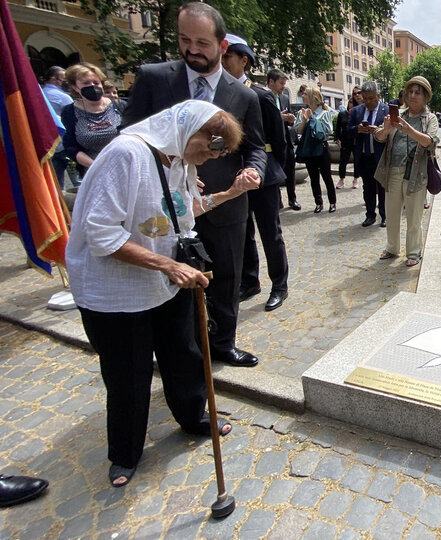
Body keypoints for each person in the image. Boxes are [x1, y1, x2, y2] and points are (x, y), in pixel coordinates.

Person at [66, 100, 253, 487]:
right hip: (118, 294)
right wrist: (168, 265)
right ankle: (125, 453)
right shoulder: (126, 155)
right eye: (213, 144)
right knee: (128, 375)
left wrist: (230, 194)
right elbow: (101, 233)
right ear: (188, 127)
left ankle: (193, 417)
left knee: (183, 355)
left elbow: (180, 215)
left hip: (167, 284)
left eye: (220, 150)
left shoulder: (180, 161)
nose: (213, 154)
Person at [122, 1, 266, 369]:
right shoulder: (155, 79)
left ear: (221, 47)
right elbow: (131, 137)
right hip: (166, 205)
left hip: (226, 204)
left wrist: (253, 172)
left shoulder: (245, 96)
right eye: (185, 40)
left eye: (202, 43)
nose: (191, 50)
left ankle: (222, 344)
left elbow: (255, 149)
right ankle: (181, 353)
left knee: (227, 277)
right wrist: (173, 169)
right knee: (175, 279)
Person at [222, 34, 291, 313]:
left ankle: (279, 285)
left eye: (227, 57)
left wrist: (276, 171)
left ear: (244, 60)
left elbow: (279, 138)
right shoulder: (221, 93)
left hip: (262, 174)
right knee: (243, 231)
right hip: (232, 172)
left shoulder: (260, 95)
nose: (222, 61)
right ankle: (250, 281)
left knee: (269, 232)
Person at [373, 76, 440, 267]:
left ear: (425, 96)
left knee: (414, 216)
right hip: (393, 171)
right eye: (410, 91)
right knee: (392, 213)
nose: (412, 95)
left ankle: (413, 252)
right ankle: (392, 248)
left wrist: (409, 129)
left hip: (416, 174)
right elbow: (378, 136)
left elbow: (430, 141)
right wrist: (385, 130)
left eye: (417, 92)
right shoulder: (397, 115)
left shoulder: (429, 118)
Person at [61, 63, 123, 180]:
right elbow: (70, 147)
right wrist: (96, 166)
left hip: (124, 169)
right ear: (75, 87)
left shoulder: (120, 106)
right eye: (86, 83)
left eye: (96, 82)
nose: (93, 86)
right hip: (94, 174)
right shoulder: (70, 112)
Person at [347, 81, 388, 227]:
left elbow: (393, 133)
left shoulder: (386, 110)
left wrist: (379, 130)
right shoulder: (357, 111)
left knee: (383, 188)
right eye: (365, 98)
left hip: (381, 156)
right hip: (364, 156)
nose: (368, 102)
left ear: (378, 96)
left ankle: (384, 216)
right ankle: (370, 215)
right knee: (368, 187)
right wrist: (357, 129)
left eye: (371, 98)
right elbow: (347, 130)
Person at [295, 87, 336, 214]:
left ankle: (332, 202)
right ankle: (318, 203)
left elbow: (328, 131)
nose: (302, 95)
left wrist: (313, 119)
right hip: (309, 149)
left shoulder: (324, 113)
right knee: (313, 178)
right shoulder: (301, 113)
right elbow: (298, 131)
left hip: (321, 148)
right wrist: (304, 120)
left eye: (305, 94)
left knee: (327, 176)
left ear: (313, 97)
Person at [41, 66, 78, 189]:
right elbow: (75, 119)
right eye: (63, 79)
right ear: (53, 79)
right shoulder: (63, 97)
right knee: (79, 181)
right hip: (65, 144)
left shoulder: (39, 94)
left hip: (47, 144)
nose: (66, 82)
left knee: (55, 184)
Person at [268, 69, 300, 210]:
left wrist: (291, 119)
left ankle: (292, 200)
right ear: (271, 82)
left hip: (286, 141)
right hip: (271, 143)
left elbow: (289, 118)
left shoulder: (284, 98)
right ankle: (278, 201)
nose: (283, 86)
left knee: (290, 171)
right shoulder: (263, 98)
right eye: (281, 83)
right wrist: (279, 117)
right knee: (275, 173)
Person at [336, 86, 362, 189]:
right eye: (354, 94)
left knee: (357, 162)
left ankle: (355, 179)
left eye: (358, 93)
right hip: (345, 141)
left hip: (356, 140)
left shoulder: (359, 111)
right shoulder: (343, 114)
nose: (357, 96)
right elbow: (338, 128)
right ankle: (341, 179)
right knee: (343, 161)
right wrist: (337, 139)